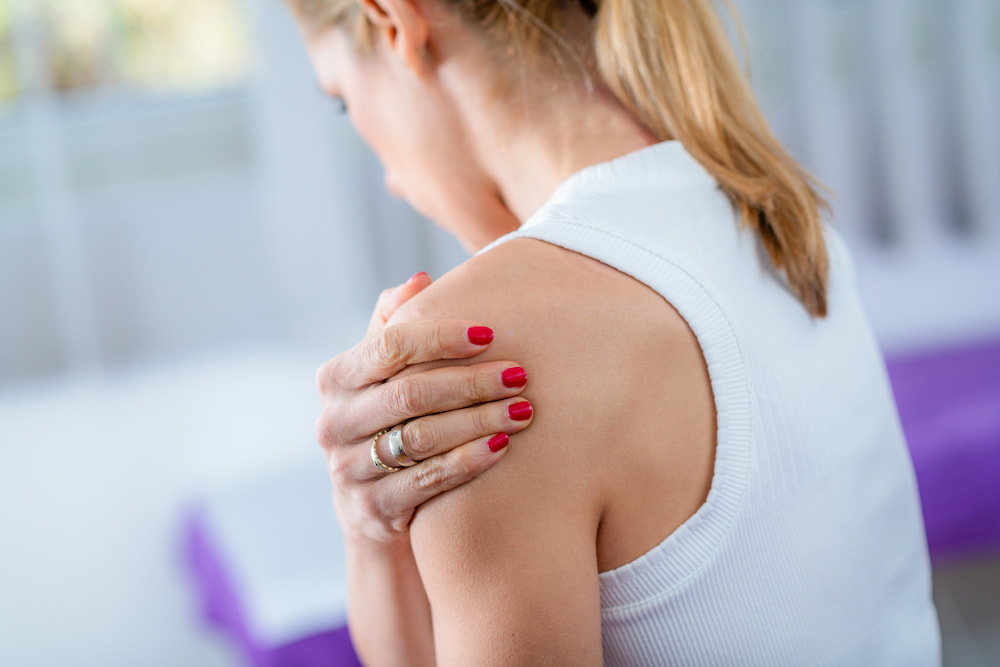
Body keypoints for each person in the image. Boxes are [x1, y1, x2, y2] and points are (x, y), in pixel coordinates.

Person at [296, 0, 941, 664]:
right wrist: (370, 529)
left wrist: (367, 541)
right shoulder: (785, 219)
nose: (391, 181)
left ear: (396, 23)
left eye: (344, 100)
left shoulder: (475, 346)